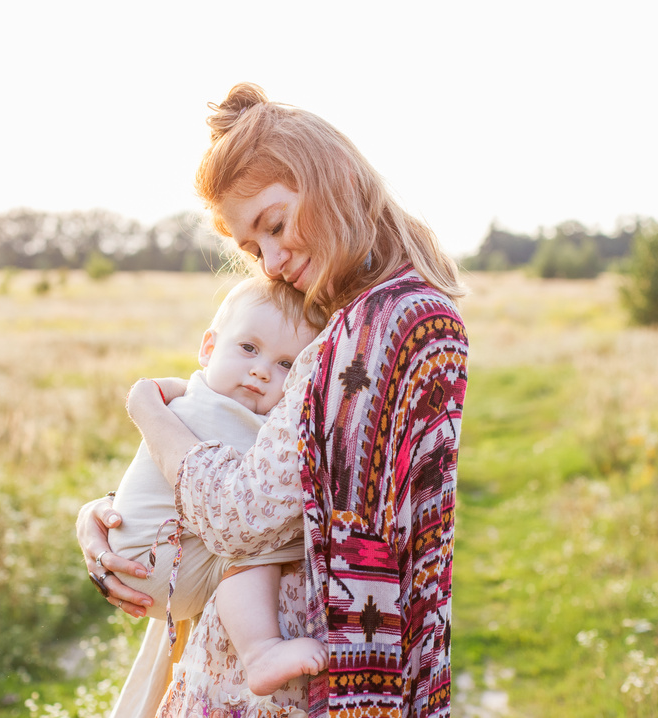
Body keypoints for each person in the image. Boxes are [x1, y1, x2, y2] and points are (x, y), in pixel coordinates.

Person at [77, 82, 468, 717]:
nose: (274, 260)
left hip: (307, 683)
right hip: (274, 665)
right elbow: (264, 467)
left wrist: (147, 411)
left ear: (331, 176)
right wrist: (115, 514)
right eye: (254, 248)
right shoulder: (345, 317)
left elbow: (246, 514)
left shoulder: (381, 323)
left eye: (277, 225)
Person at [101, 275, 328, 696]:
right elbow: (250, 502)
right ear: (209, 347)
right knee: (257, 543)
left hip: (149, 556)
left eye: (285, 365)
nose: (261, 371)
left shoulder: (195, 396)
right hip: (158, 563)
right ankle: (260, 650)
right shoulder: (219, 409)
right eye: (248, 349)